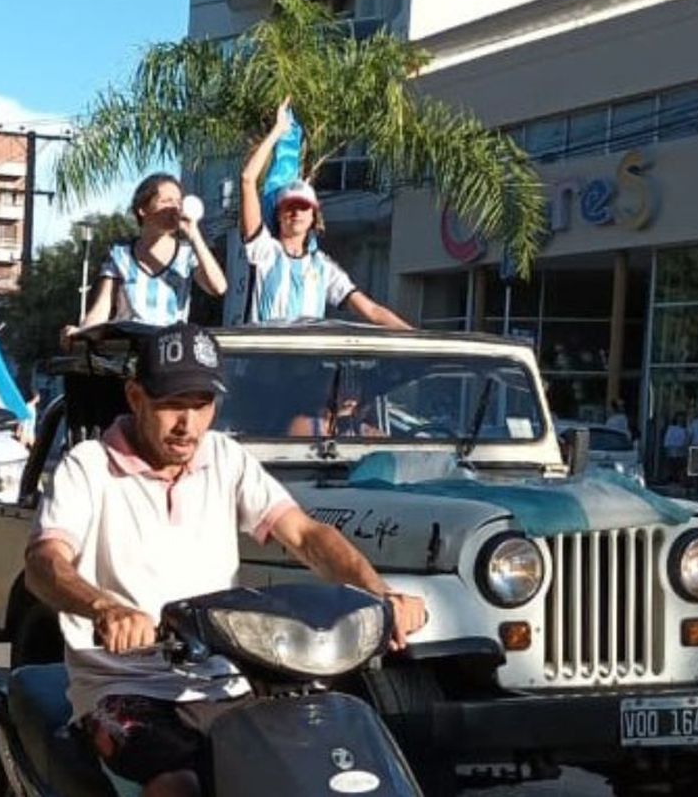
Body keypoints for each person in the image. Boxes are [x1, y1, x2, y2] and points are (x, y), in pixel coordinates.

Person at [25, 323, 427, 797]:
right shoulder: (88, 466)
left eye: (202, 406)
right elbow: (45, 560)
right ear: (135, 397)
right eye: (172, 405)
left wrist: (380, 594)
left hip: (224, 680)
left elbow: (306, 534)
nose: (188, 425)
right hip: (125, 687)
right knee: (177, 787)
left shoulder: (226, 458)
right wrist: (105, 609)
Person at [239, 99, 410, 329]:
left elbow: (371, 310)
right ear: (278, 214)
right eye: (289, 207)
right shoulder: (265, 251)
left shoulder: (322, 267)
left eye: (303, 206)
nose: (296, 212)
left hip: (309, 364)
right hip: (265, 362)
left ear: (313, 216)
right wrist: (278, 131)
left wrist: (416, 337)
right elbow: (247, 179)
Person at [66, 173, 228, 338]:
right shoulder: (120, 255)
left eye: (179, 202)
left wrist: (194, 235)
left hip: (171, 349)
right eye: (166, 201)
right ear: (142, 209)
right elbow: (101, 309)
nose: (174, 208)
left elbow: (218, 287)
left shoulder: (187, 255)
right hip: (129, 347)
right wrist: (81, 331)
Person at [664, 412, 689, 483]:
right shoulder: (671, 428)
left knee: (679, 466)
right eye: (679, 418)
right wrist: (667, 449)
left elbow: (686, 440)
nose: (680, 420)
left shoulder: (685, 429)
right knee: (672, 465)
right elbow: (667, 439)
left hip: (681, 450)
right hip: (672, 449)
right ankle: (671, 478)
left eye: (682, 418)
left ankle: (677, 479)